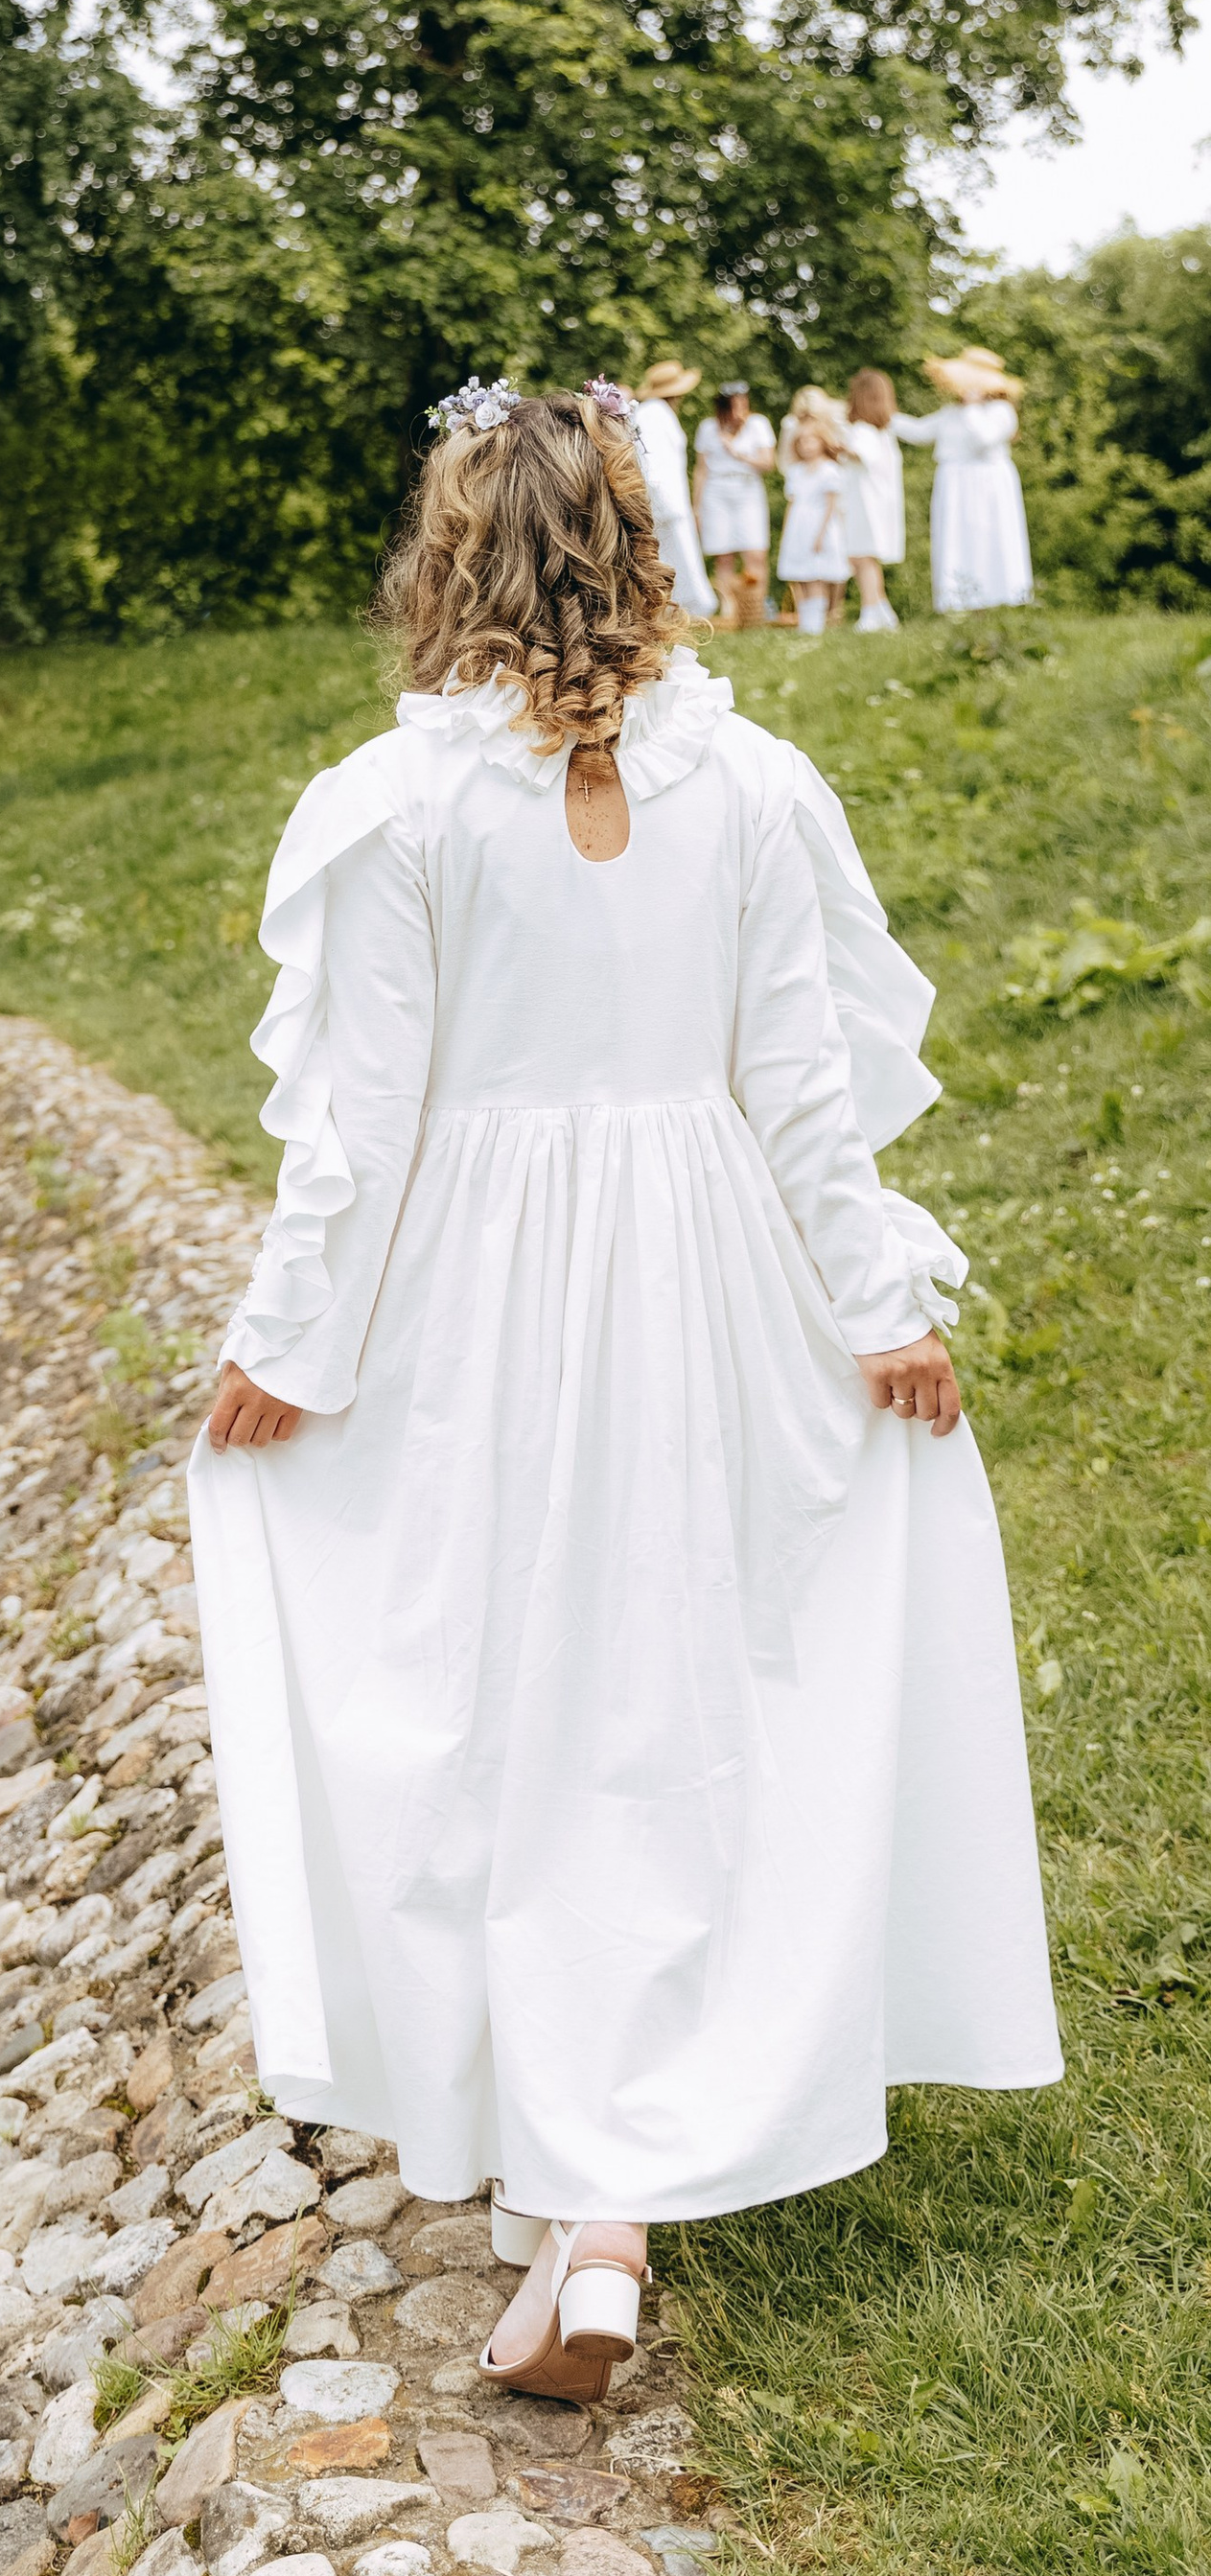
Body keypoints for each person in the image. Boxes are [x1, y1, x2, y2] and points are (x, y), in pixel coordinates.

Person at [191, 380, 1057, 2397]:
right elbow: (799, 1089)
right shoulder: (745, 785)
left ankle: (583, 2201)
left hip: (475, 1300)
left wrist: (287, 1349)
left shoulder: (392, 807)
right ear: (637, 544)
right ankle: (602, 2212)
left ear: (448, 556)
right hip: (707, 1270)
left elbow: (362, 1127)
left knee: (506, 1709)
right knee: (678, 1694)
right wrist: (873, 1314)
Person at [919, 348, 1034, 614]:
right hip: (954, 483)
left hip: (988, 483)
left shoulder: (1002, 411)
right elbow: (921, 431)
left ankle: (1000, 597)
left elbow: (985, 438)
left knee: (990, 537)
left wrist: (972, 408)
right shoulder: (950, 412)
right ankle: (960, 600)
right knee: (957, 539)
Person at [629, 360, 713, 615]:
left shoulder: (657, 413)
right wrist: (659, 500)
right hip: (664, 502)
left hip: (669, 500)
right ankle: (687, 611)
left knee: (677, 560)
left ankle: (679, 611)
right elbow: (650, 463)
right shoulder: (653, 414)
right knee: (675, 560)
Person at [692, 377, 777, 624]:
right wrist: (696, 506)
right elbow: (701, 470)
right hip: (716, 490)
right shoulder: (708, 428)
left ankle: (755, 607)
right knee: (723, 554)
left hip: (747, 488)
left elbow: (768, 463)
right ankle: (729, 610)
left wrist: (738, 453)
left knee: (755, 552)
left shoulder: (758, 424)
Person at [777, 401, 856, 640]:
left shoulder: (829, 470)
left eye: (811, 441)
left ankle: (817, 623)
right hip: (799, 526)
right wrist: (786, 531)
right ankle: (806, 621)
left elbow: (831, 504)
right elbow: (792, 502)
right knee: (802, 575)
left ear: (822, 441)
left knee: (818, 573)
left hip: (820, 524)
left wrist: (821, 534)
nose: (807, 446)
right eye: (802, 442)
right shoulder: (796, 471)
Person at [843, 369, 912, 631]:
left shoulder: (861, 430)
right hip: (882, 502)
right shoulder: (884, 432)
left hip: (865, 503)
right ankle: (883, 610)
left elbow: (861, 455)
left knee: (862, 557)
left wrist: (836, 446)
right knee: (869, 558)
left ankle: (870, 610)